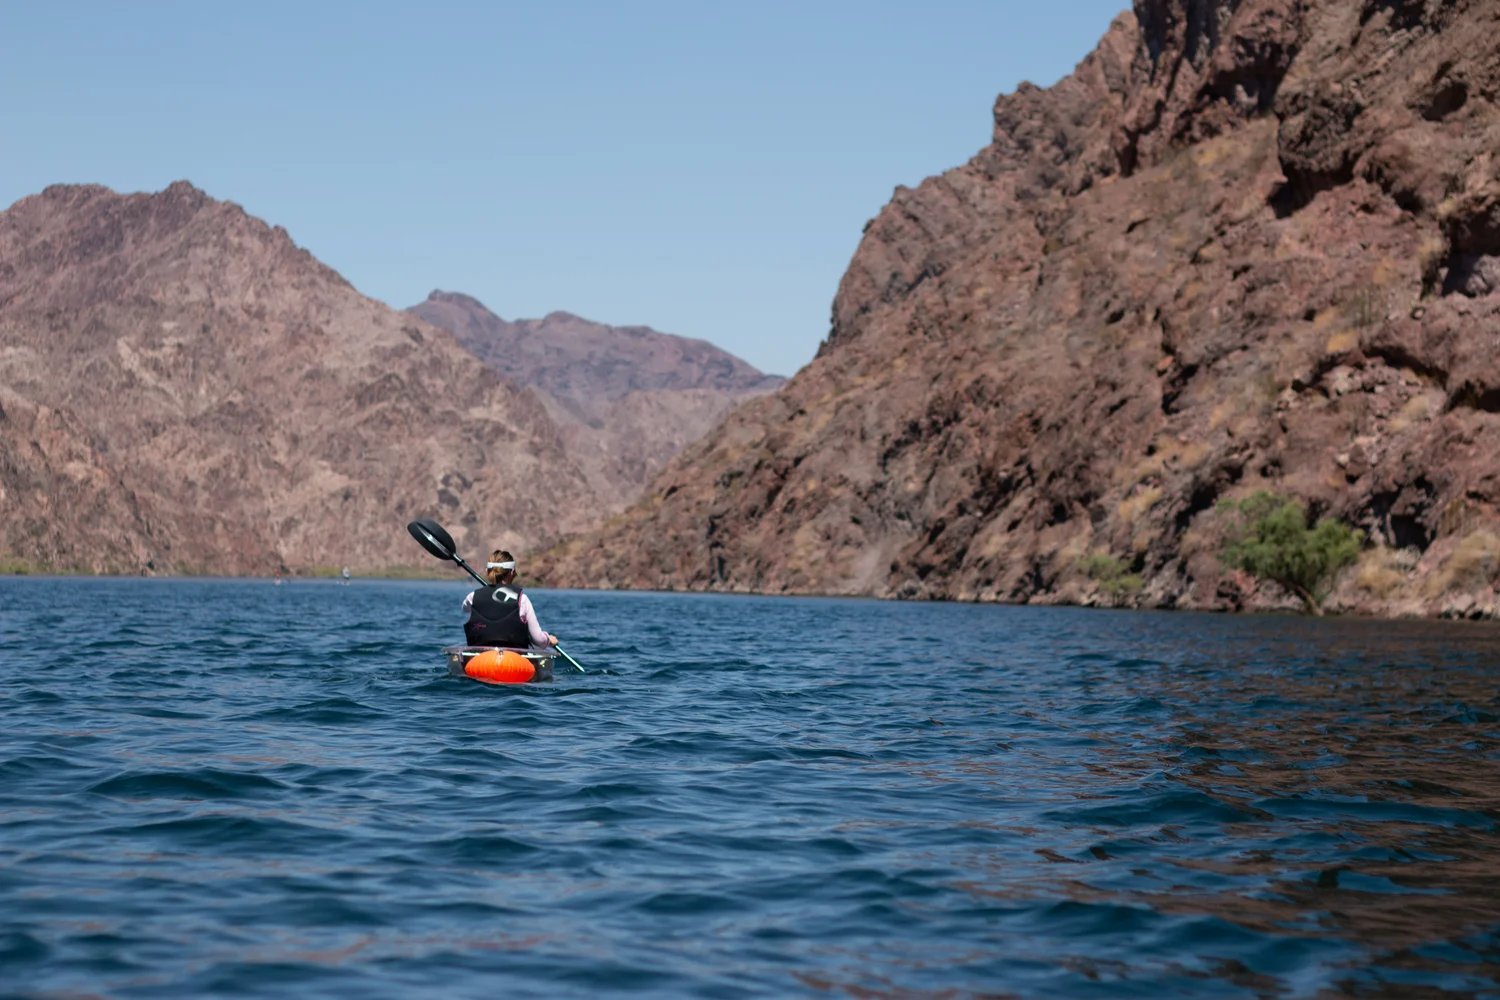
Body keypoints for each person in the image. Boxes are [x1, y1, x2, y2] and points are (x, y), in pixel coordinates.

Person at [461, 549, 558, 649]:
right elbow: (538, 640)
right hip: (514, 660)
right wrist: (548, 639)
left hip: (479, 660)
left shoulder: (472, 597)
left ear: (487, 572)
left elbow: (464, 608)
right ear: (512, 572)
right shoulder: (522, 600)